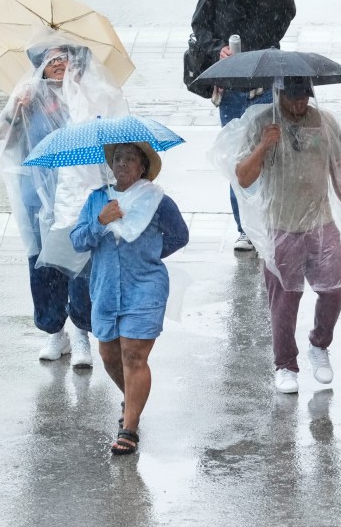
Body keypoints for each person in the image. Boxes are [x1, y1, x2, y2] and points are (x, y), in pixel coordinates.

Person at [210, 76, 341, 394]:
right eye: (293, 98)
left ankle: (319, 345)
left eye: (305, 98)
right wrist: (265, 145)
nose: (299, 105)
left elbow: (340, 171)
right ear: (279, 94)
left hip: (320, 222)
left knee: (334, 289)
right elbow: (243, 176)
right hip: (280, 226)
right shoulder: (263, 123)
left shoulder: (325, 123)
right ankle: (285, 365)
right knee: (284, 299)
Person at [0, 33, 128, 367]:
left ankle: (82, 331)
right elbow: (5, 142)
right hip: (37, 197)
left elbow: (114, 140)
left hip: (80, 194)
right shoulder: (28, 95)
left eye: (64, 59)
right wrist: (16, 110)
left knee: (80, 260)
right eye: (51, 60)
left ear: (77, 62)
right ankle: (54, 331)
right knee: (43, 260)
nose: (58, 65)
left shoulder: (93, 96)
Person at [70, 142, 189, 454]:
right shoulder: (98, 199)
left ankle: (130, 429)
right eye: (117, 158)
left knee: (134, 356)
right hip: (105, 288)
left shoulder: (158, 201)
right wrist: (100, 222)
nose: (122, 164)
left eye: (130, 159)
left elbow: (179, 235)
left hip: (146, 287)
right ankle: (133, 398)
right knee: (110, 356)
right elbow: (77, 240)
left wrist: (149, 255)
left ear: (142, 167)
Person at [191, 0, 296, 251]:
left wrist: (266, 40)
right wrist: (216, 50)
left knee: (269, 155)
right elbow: (200, 26)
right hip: (232, 89)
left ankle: (270, 220)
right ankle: (245, 228)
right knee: (240, 159)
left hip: (265, 86)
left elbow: (287, 14)